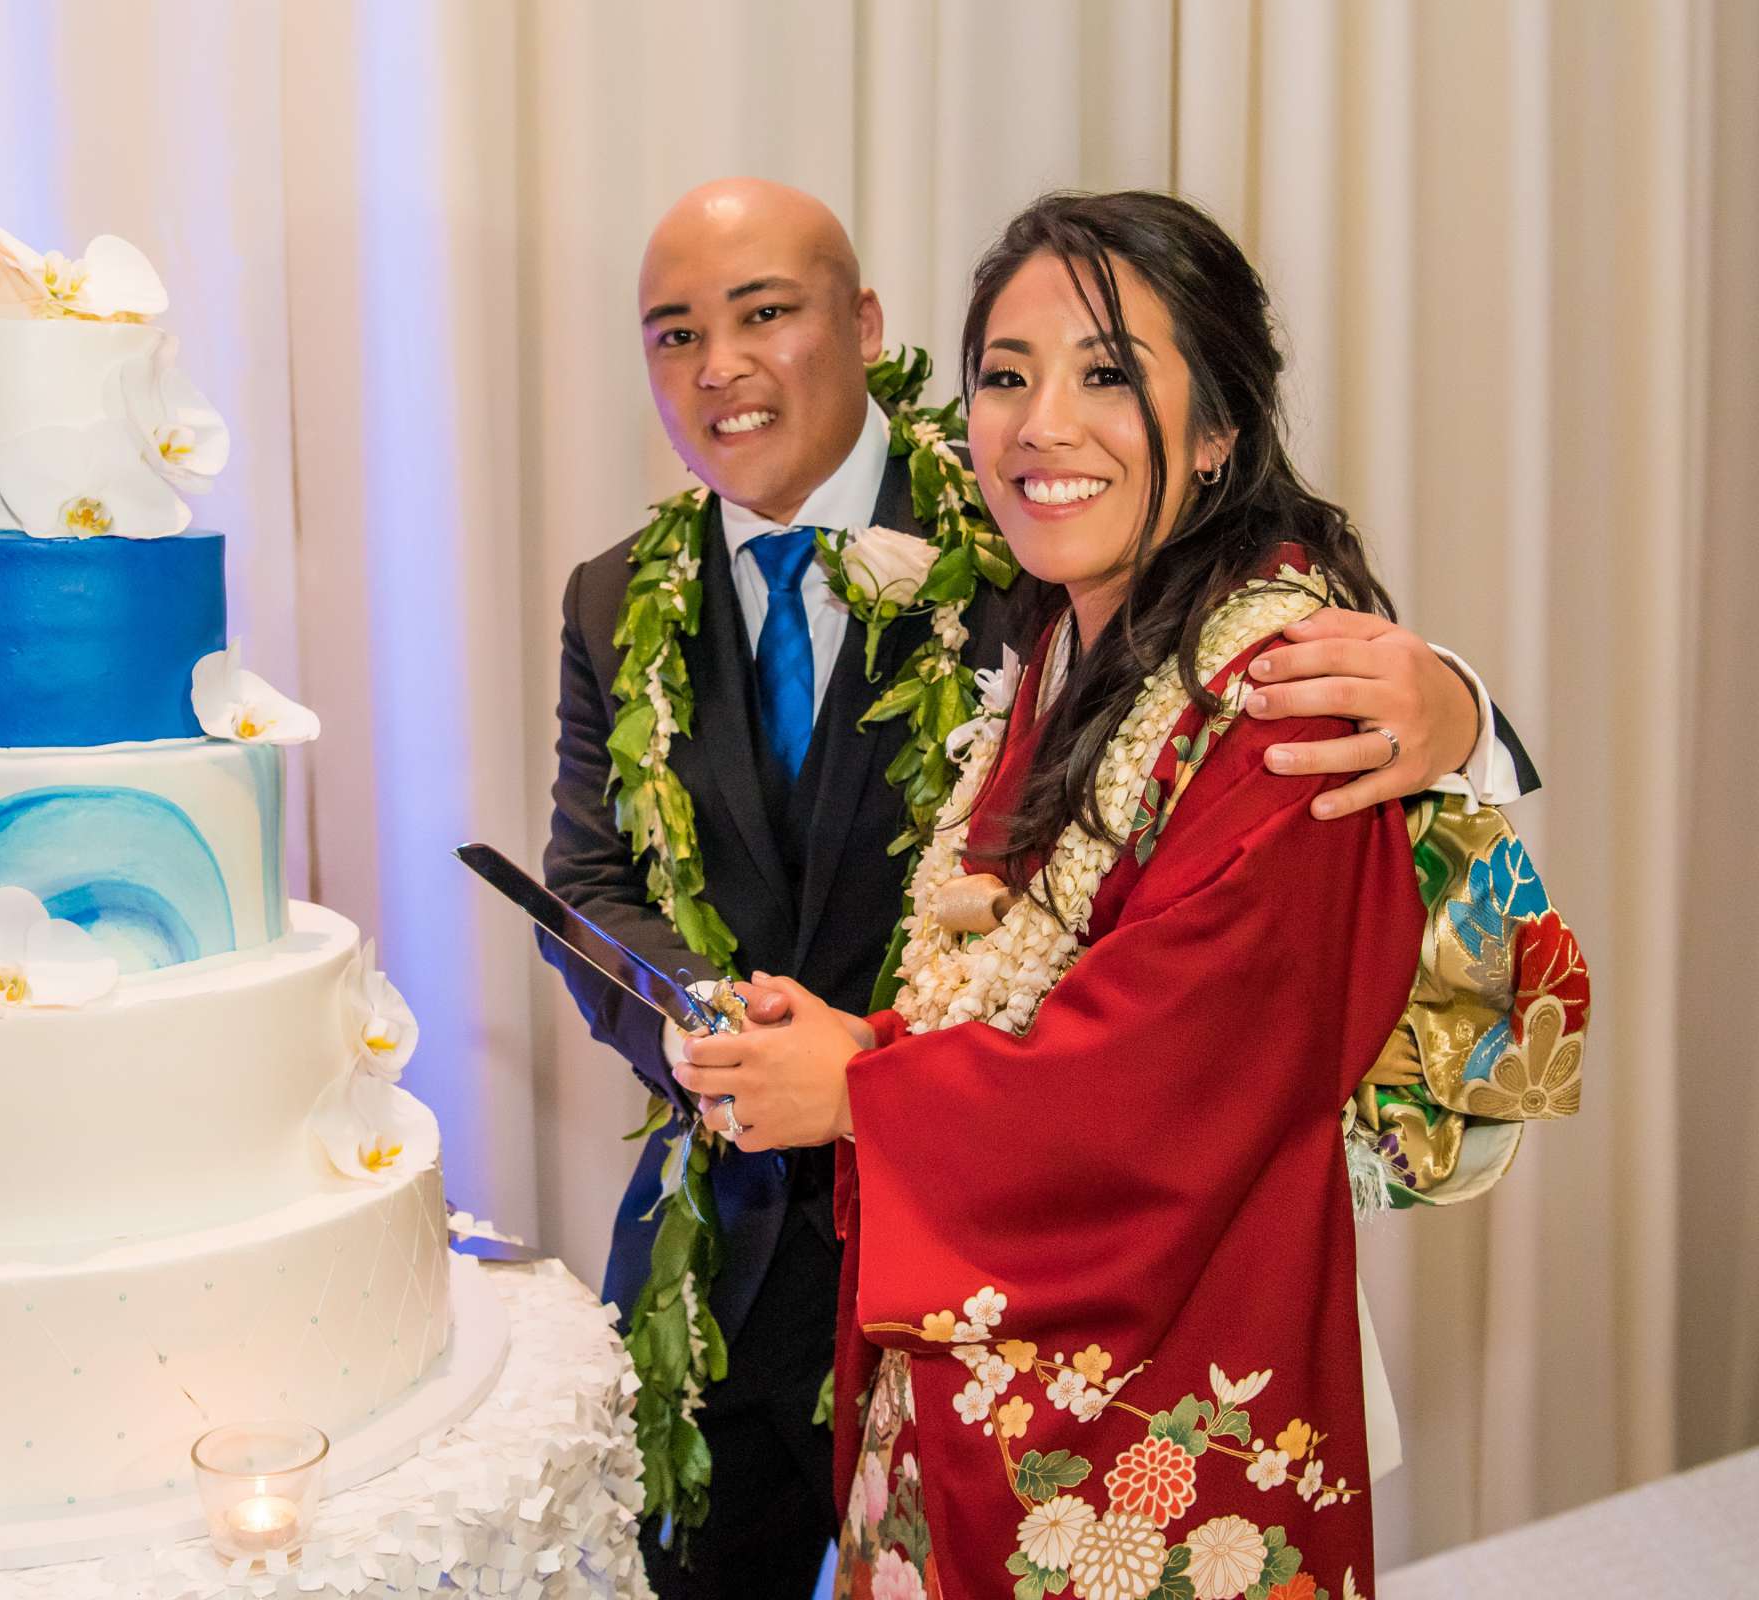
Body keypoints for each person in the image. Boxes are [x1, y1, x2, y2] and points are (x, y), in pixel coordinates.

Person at [542, 179, 1530, 1596]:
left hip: (1126, 1376)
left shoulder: (1226, 650)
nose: (1043, 421)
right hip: (876, 1317)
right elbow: (593, 872)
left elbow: (1172, 1071)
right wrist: (739, 1043)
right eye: (1007, 375)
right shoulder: (1059, 622)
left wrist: (1461, 709)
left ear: (1219, 427)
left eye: (1108, 375)